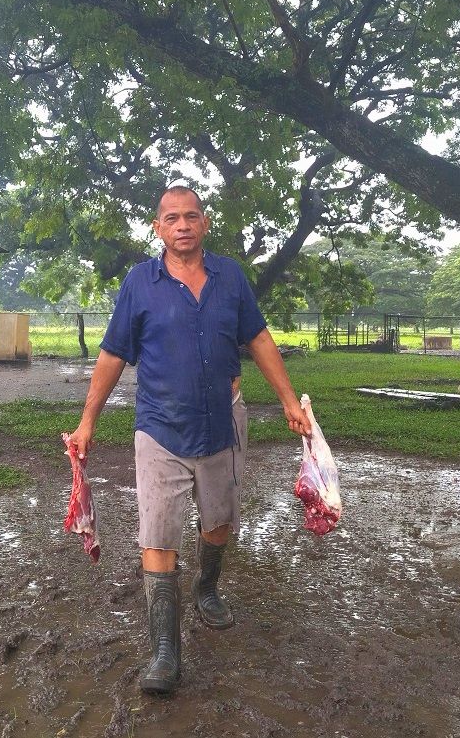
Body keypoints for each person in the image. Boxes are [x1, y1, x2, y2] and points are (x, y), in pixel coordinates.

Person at [68, 185, 311, 694]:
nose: (182, 225)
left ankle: (207, 586)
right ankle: (163, 649)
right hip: (159, 427)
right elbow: (113, 354)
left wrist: (289, 400)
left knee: (218, 522)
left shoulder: (230, 279)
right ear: (158, 228)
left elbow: (259, 338)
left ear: (204, 224)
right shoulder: (140, 282)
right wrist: (88, 420)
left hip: (220, 422)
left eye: (191, 216)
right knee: (158, 533)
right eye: (171, 218)